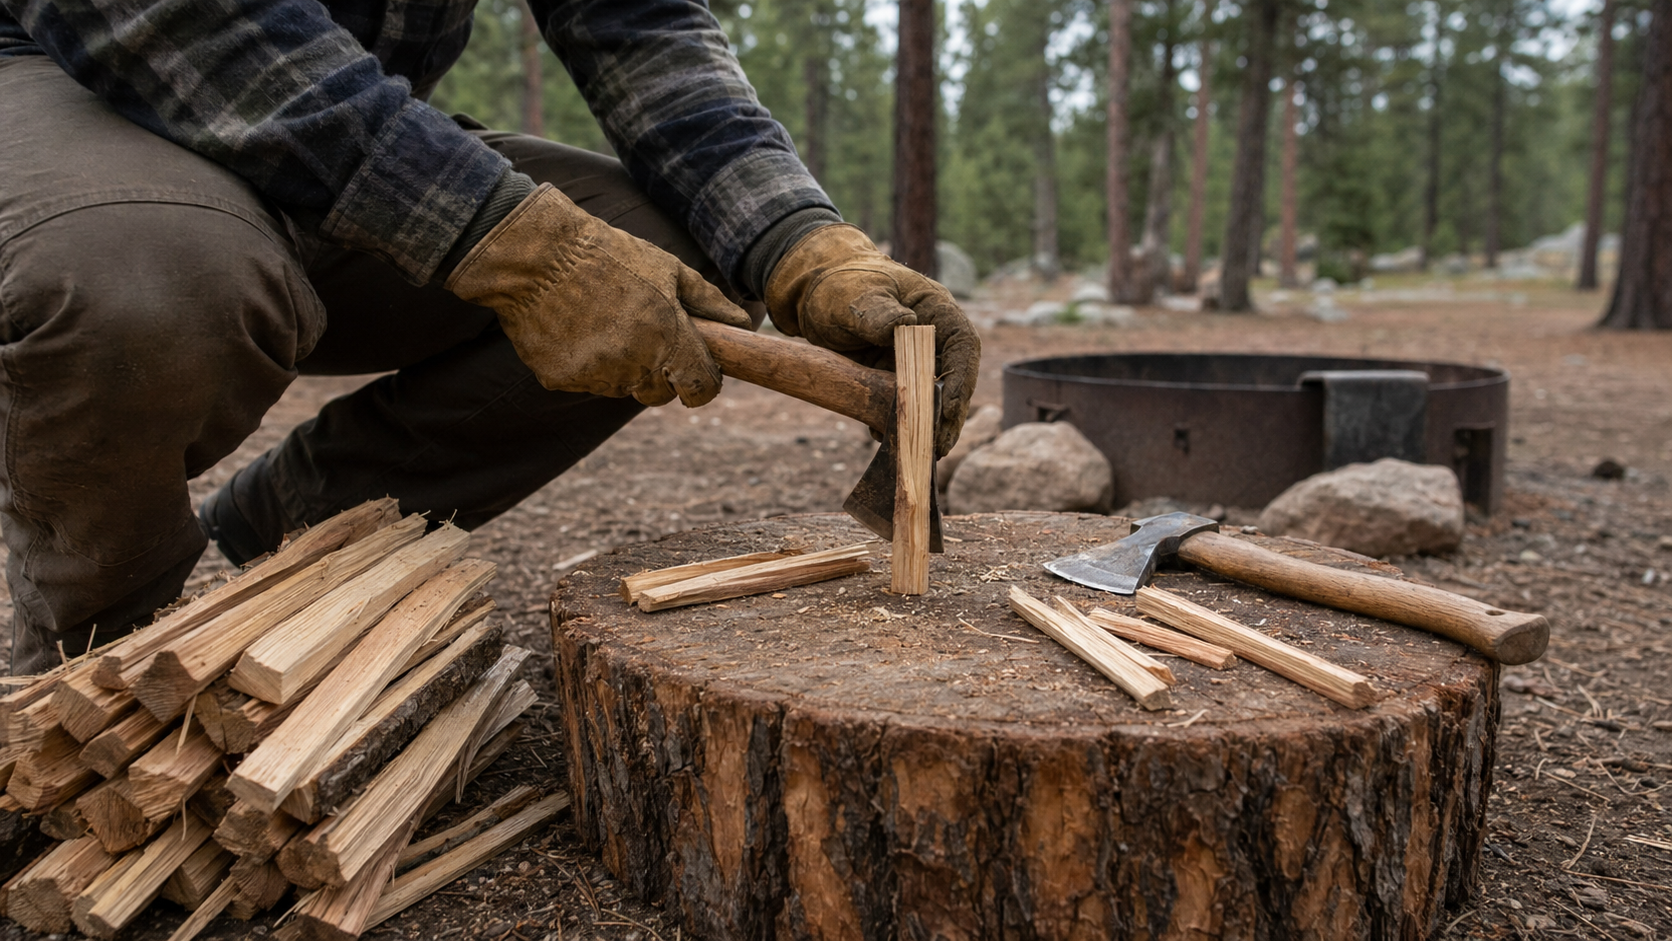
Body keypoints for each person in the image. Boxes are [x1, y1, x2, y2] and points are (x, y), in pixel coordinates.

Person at [0, 0, 980, 674]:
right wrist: (514, 246)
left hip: (348, 120)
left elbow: (640, 28)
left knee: (674, 250)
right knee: (142, 283)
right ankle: (97, 664)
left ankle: (302, 540)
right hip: (79, 81)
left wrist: (802, 248)